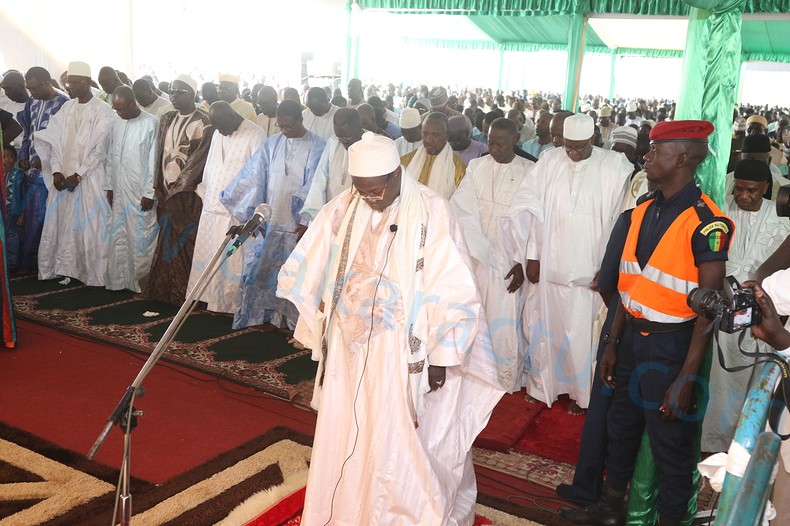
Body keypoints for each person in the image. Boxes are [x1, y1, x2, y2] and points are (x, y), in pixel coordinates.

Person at [277, 131, 504, 526]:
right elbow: (310, 261)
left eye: (376, 190)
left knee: (400, 437)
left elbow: (454, 287)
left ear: (396, 174)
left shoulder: (432, 211)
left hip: (401, 348)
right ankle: (349, 508)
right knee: (347, 428)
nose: (369, 199)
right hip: (352, 346)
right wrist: (319, 314)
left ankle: (400, 513)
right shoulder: (345, 206)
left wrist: (441, 356)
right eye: (361, 190)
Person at [559, 120, 733, 526]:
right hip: (632, 341)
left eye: (656, 152)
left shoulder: (707, 223)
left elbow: (707, 311)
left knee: (670, 446)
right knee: (621, 430)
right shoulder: (642, 210)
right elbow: (628, 283)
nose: (647, 157)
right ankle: (610, 511)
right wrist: (614, 342)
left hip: (672, 348)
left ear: (684, 159)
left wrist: (687, 377)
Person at [523, 113, 632, 415]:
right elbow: (534, 211)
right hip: (551, 263)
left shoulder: (613, 166)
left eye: (579, 147)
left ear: (594, 138)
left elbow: (618, 220)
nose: (571, 153)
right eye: (567, 146)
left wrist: (608, 266)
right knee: (548, 328)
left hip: (590, 267)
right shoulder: (548, 161)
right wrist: (533, 255)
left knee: (583, 333)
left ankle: (580, 395)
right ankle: (543, 386)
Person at [701, 159, 790, 453]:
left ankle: (746, 448)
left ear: (765, 188)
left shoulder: (782, 220)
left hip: (767, 314)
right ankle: (716, 446)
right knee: (723, 385)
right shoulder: (720, 212)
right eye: (738, 189)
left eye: (751, 190)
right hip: (726, 311)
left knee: (759, 383)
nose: (743, 196)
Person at [219, 100, 324, 330]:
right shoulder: (272, 144)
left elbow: (316, 186)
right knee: (260, 272)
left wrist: (306, 220)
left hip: (296, 225)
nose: (283, 130)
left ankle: (294, 323)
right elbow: (254, 178)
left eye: (288, 125)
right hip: (269, 222)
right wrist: (254, 215)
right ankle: (259, 316)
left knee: (296, 276)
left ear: (300, 120)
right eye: (280, 126)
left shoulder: (318, 146)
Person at [451, 118, 533, 392]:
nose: (493, 147)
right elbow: (461, 209)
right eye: (489, 141)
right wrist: (477, 249)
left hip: (510, 262)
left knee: (505, 322)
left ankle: (505, 378)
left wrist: (521, 261)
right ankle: (474, 375)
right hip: (477, 256)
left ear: (515, 140)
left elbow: (533, 222)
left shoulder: (530, 171)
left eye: (500, 142)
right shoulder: (476, 167)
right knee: (474, 317)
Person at [33, 61, 117, 286]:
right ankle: (64, 267)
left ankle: (93, 273)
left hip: (90, 179)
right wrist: (58, 171)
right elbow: (54, 139)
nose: (71, 87)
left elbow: (100, 149)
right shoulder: (67, 108)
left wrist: (78, 174)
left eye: (76, 83)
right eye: (69, 83)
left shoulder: (103, 111)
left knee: (91, 225)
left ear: (88, 83)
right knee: (62, 223)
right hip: (64, 179)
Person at [186, 101, 265, 314]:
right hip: (212, 206)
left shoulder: (255, 134)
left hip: (236, 212)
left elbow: (257, 176)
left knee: (230, 261)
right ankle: (206, 298)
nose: (221, 131)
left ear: (232, 116)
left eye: (222, 126)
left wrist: (246, 209)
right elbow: (211, 167)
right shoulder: (219, 132)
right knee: (208, 253)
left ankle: (228, 304)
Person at [143, 74, 213, 305]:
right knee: (165, 242)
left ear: (193, 94)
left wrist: (178, 191)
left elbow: (198, 162)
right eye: (172, 91)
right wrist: (158, 186)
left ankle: (185, 294)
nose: (174, 96)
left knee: (186, 242)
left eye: (180, 92)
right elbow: (159, 155)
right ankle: (163, 292)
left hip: (188, 196)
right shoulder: (166, 118)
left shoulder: (204, 121)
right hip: (165, 191)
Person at [104, 86, 159, 292]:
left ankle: (142, 285)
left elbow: (154, 161)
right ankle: (120, 281)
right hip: (119, 190)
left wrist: (149, 193)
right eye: (115, 109)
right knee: (119, 233)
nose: (119, 113)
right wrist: (109, 186)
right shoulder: (117, 123)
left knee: (141, 236)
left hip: (140, 193)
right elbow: (111, 156)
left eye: (122, 109)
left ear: (133, 103)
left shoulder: (151, 123)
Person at [16, 67, 69, 273]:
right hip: (31, 170)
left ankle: (42, 264)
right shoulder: (31, 102)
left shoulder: (63, 103)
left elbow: (64, 140)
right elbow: (28, 131)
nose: (31, 93)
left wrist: (45, 158)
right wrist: (23, 157)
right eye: (28, 89)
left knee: (45, 219)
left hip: (51, 171)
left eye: (34, 88)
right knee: (32, 218)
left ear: (47, 83)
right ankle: (31, 262)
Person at [298, 107, 363, 230]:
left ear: (358, 126)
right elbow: (319, 180)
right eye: (340, 138)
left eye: (347, 138)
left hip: (359, 218)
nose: (344, 142)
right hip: (332, 215)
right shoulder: (333, 143)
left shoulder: (373, 146)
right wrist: (312, 218)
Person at [400, 112, 466, 200]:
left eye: (435, 135)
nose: (428, 139)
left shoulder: (459, 169)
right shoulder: (406, 162)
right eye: (425, 134)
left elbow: (460, 205)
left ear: (447, 135)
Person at [2, 145, 25, 269]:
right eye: (4, 157)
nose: (7, 159)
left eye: (10, 156)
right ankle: (4, 260)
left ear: (15, 158)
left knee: (12, 234)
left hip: (14, 211)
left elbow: (24, 195)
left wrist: (23, 214)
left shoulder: (19, 174)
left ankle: (12, 261)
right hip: (2, 211)